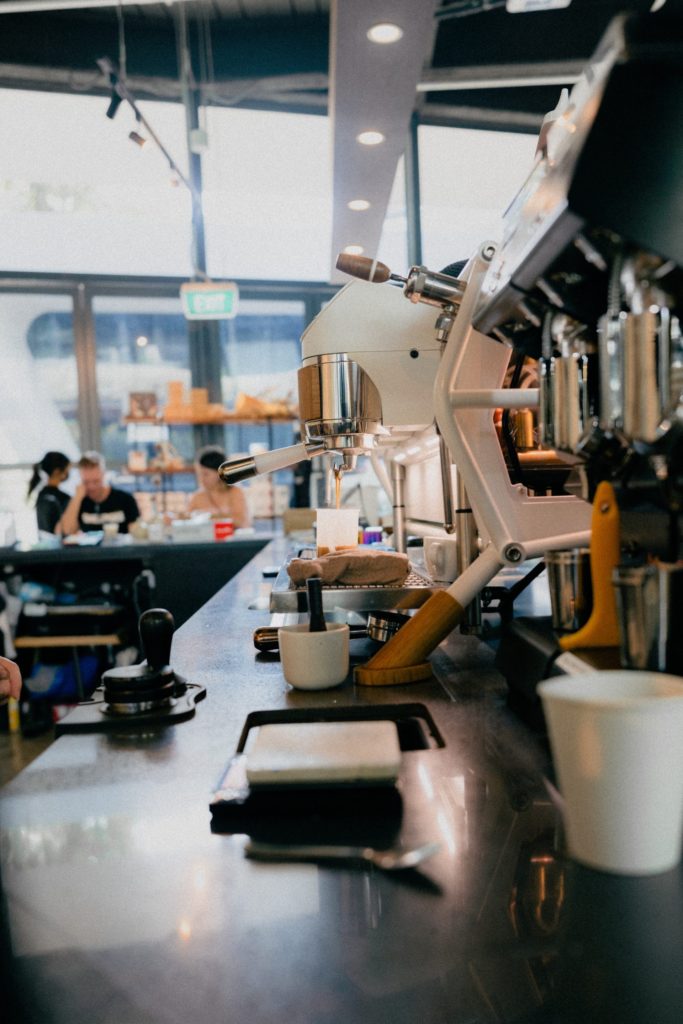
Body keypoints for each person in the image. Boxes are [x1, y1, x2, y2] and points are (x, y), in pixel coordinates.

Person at [58, 451, 140, 536]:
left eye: (96, 481)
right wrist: (77, 498)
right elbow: (67, 531)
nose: (91, 487)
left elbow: (137, 534)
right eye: (86, 482)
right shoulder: (78, 502)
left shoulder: (126, 499)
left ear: (104, 475)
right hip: (89, 549)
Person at [187, 446, 250, 527]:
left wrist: (208, 517)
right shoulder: (197, 497)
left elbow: (240, 522)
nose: (201, 478)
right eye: (199, 474)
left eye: (206, 474)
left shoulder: (235, 492)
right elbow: (188, 523)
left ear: (219, 473)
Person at [27, 451, 71, 534]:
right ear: (57, 472)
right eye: (67, 470)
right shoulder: (62, 498)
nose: (68, 474)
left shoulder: (41, 494)